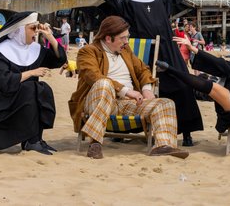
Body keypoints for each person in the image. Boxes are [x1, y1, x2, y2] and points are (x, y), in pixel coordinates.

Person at [95, 0, 203, 147]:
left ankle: (185, 131)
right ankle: (126, 130)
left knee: (180, 84)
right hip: (138, 48)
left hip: (166, 47)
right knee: (136, 88)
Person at [69, 16, 188, 159]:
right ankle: (95, 143)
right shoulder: (88, 51)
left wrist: (146, 89)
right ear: (108, 38)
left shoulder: (125, 51)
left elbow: (143, 69)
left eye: (127, 37)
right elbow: (93, 76)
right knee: (104, 83)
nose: (126, 42)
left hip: (127, 104)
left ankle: (163, 146)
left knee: (166, 103)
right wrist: (126, 91)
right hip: (99, 100)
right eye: (123, 38)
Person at [0, 12, 66, 154]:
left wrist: (50, 37)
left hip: (21, 99)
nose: (36, 32)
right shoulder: (1, 51)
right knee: (31, 88)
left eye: (36, 28)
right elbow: (4, 82)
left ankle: (35, 139)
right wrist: (31, 73)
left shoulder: (34, 49)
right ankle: (31, 141)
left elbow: (58, 61)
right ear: (19, 30)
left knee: (42, 88)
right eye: (32, 28)